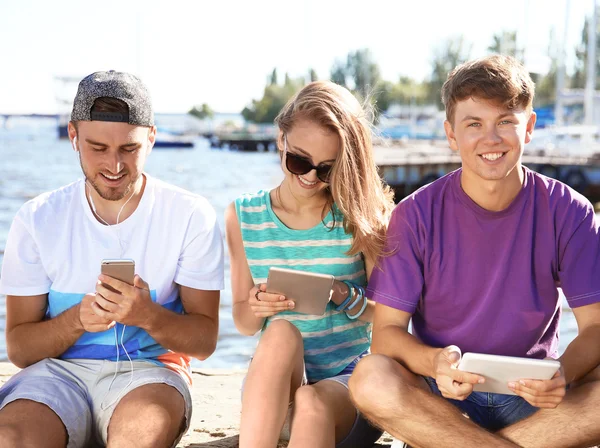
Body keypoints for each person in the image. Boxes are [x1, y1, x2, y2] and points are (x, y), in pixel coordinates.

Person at [348, 54, 600, 448]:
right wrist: (435, 363)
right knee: (369, 376)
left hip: (534, 393)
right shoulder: (415, 215)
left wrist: (561, 374)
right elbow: (387, 336)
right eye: (474, 124)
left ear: (529, 127)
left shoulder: (570, 211)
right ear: (451, 134)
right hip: (445, 395)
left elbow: (596, 327)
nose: (491, 139)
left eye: (505, 122)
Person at [0, 71, 224, 448]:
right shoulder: (37, 218)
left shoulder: (190, 214)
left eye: (129, 149)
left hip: (150, 373)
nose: (114, 166)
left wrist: (147, 315)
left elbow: (203, 342)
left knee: (137, 438)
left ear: (151, 137)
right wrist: (76, 321)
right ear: (73, 136)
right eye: (98, 148)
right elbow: (21, 350)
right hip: (54, 374)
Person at [225, 81, 394, 448]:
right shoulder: (243, 215)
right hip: (274, 392)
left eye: (327, 169)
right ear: (280, 139)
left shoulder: (361, 217)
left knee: (311, 402)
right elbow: (242, 320)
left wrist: (342, 294)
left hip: (347, 388)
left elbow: (390, 317)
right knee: (281, 331)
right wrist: (257, 305)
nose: (310, 177)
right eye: (299, 161)